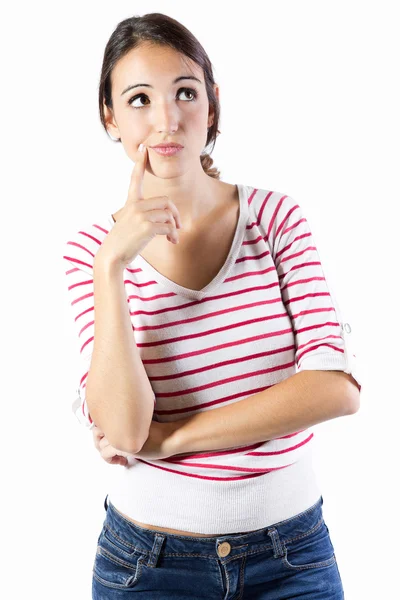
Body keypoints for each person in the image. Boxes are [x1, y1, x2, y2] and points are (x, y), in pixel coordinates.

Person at [62, 12, 361, 599]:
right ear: (110, 117)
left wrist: (168, 440)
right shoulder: (89, 255)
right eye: (140, 98)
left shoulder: (275, 219)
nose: (167, 119)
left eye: (185, 93)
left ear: (213, 104)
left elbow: (335, 388)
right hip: (147, 566)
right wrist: (112, 269)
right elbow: (123, 427)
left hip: (293, 560)